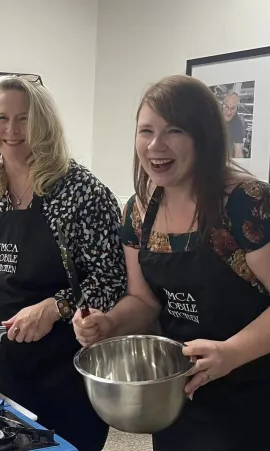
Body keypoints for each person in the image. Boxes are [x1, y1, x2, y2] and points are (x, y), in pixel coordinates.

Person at [73, 74, 270, 451]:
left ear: (204, 136)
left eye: (174, 130)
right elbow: (144, 302)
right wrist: (109, 322)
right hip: (180, 393)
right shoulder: (138, 212)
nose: (155, 145)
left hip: (254, 391)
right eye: (145, 130)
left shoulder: (247, 204)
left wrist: (231, 353)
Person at [0, 75, 127, 451]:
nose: (12, 130)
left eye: (24, 118)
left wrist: (55, 307)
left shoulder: (82, 191)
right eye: (1, 118)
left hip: (72, 360)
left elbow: (111, 279)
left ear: (45, 124)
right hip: (14, 357)